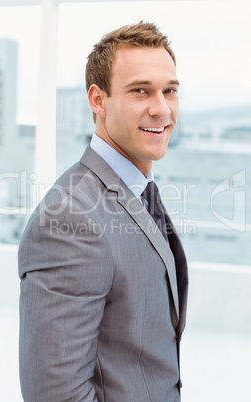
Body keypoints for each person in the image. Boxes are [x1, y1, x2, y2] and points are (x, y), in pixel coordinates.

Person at [18, 21, 188, 402]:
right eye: (140, 90)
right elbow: (54, 393)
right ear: (98, 100)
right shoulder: (70, 220)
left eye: (170, 91)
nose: (161, 109)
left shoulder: (139, 188)